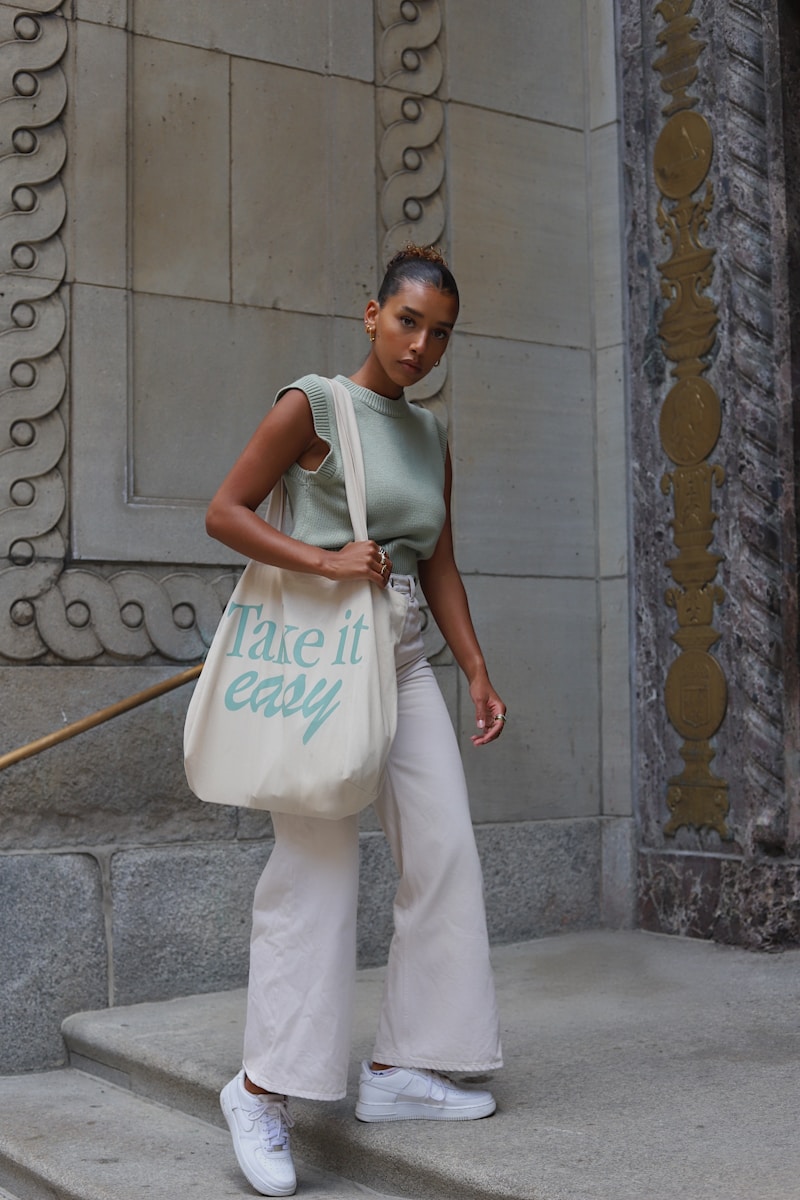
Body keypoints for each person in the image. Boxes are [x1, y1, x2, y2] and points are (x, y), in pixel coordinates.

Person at [205, 245, 507, 1198]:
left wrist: (476, 667)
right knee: (318, 871)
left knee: (446, 848)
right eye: (409, 321)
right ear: (371, 313)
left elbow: (440, 561)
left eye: (441, 333)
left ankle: (401, 1068)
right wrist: (325, 560)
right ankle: (261, 1090)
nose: (423, 345)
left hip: (409, 662)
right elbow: (224, 511)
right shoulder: (314, 406)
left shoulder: (431, 437)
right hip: (327, 665)